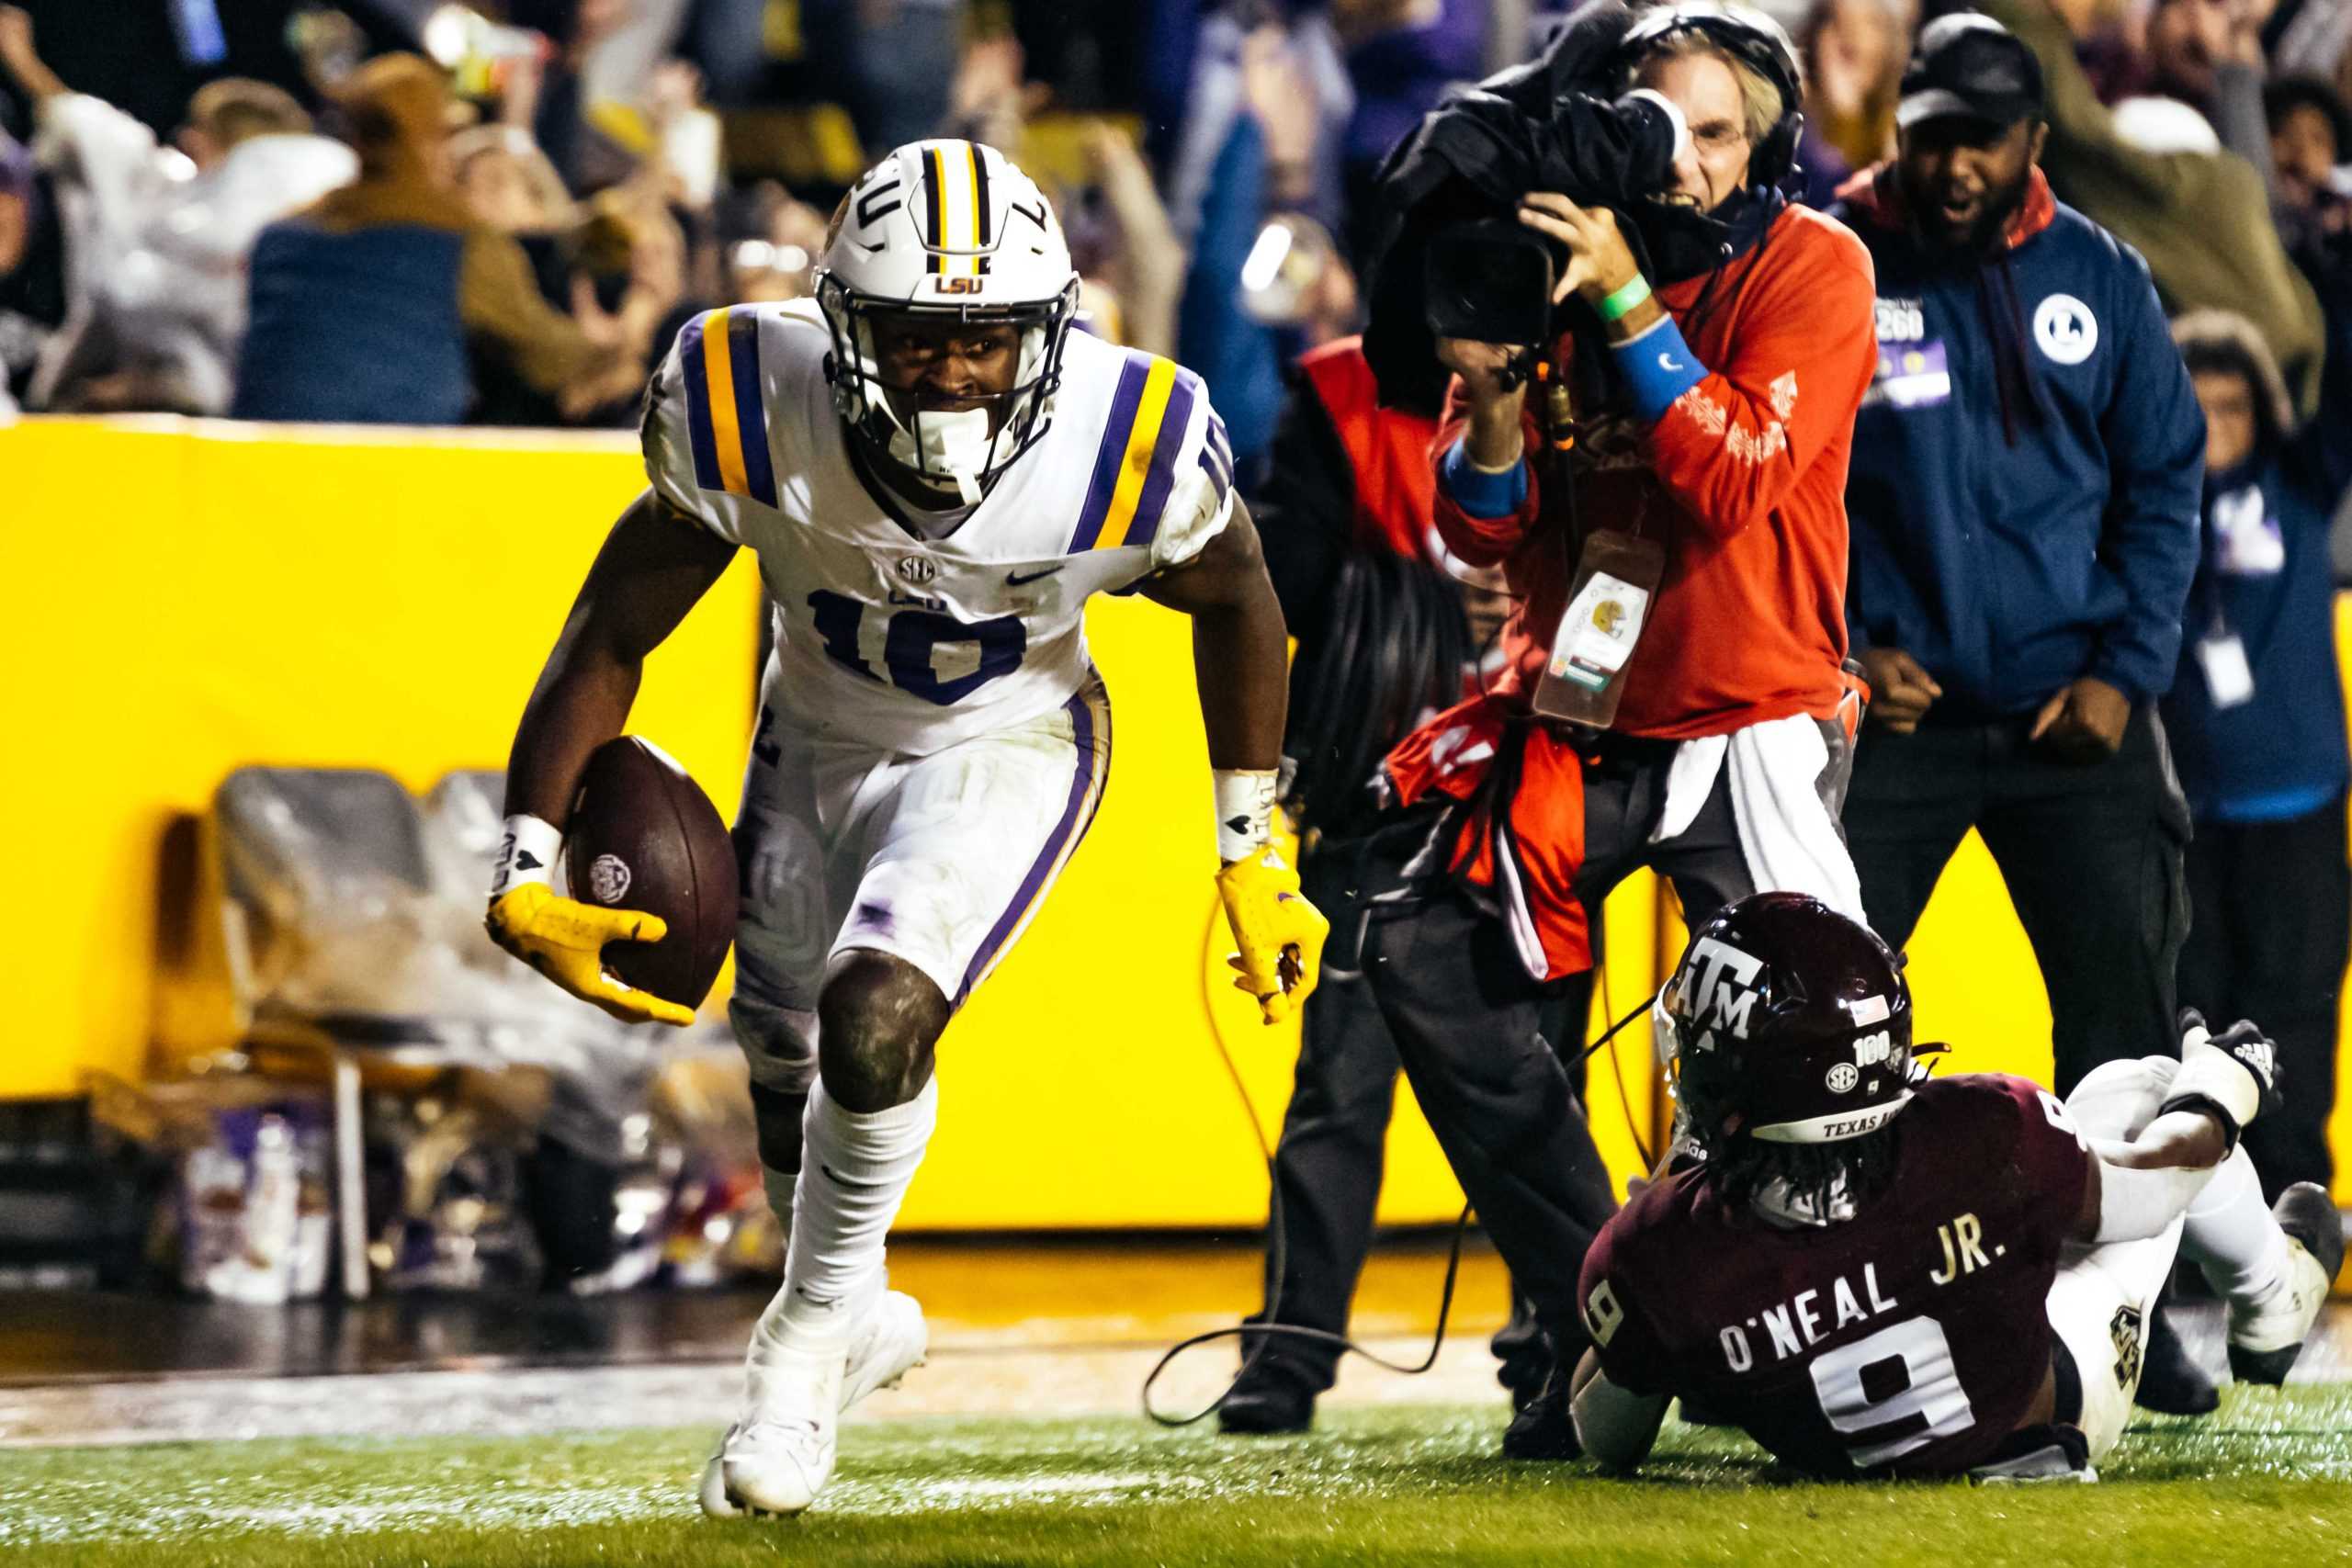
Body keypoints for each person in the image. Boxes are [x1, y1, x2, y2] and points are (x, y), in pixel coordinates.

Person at [483, 138, 1329, 1517]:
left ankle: (799, 1354)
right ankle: (851, 1307)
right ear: (840, 324)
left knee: (873, 1012)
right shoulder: (745, 396)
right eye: (918, 335)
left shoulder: (1127, 439)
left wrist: (1251, 839)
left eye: (988, 337)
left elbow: (1243, 602)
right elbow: (612, 628)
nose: (953, 369)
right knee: (784, 1072)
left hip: (1009, 743)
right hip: (811, 735)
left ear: (1047, 331)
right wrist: (521, 860)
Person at [1360, 0, 1882, 1459]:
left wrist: (1624, 303)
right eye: (1661, 127)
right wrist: (1494, 404)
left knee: (1813, 1060)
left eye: (1717, 133)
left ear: (1766, 148)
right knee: (1423, 952)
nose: (1686, 163)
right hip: (1584, 718)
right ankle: (1608, 1312)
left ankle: (1839, 1344)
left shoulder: (1814, 264)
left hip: (1755, 724)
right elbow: (1483, 531)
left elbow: (1732, 479)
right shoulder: (1558, 258)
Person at [1566, 891, 2340, 1480]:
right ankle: (2276, 1289)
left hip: (1842, 1455)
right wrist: (2220, 1088)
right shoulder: (1974, 1133)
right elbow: (2161, 1183)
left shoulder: (1655, 1249)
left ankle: (2268, 1293)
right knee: (2145, 1089)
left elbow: (1606, 1434)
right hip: (2039, 1418)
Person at [1833, 14, 2204, 1095]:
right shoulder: (1832, 258)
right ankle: (1826, 1266)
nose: (1954, 167)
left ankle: (2144, 1273)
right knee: (1816, 1029)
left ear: (2034, 141)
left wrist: (2123, 675)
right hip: (1887, 725)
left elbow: (2164, 478)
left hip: (2072, 722)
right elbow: (1775, 491)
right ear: (1898, 126)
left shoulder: (2101, 277)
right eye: (1933, 135)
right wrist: (1844, 653)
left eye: (1983, 140)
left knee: (2127, 1047)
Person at [2165, 309, 2352, 1201]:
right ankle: (2202, 1220)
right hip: (2183, 811)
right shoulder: (2144, 498)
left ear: (2262, 412)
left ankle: (2293, 1209)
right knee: (2191, 1019)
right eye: (2196, 408)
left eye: (2233, 407)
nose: (2216, 427)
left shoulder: (2301, 480)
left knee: (2295, 1009)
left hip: (2297, 805)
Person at [231, 53, 660, 426]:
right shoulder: (460, 242)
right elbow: (551, 360)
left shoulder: (279, 237)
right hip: (389, 473)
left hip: (261, 465)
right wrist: (630, 331)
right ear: (429, 143)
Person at [0, 5, 356, 412]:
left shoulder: (244, 186)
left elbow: (99, 137)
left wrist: (23, 62)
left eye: (199, 131)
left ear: (224, 137)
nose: (186, 140)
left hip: (260, 409)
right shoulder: (343, 179)